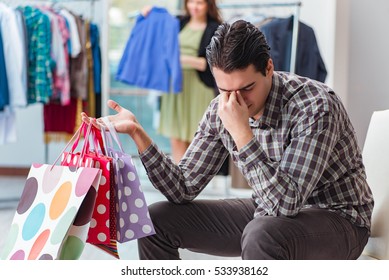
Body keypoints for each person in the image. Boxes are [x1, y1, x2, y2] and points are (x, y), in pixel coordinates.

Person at [82, 20, 374, 260]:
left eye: (246, 88)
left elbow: (287, 204)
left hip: (339, 221)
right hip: (267, 212)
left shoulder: (315, 105)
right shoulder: (220, 108)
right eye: (225, 89)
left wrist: (242, 133)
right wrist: (138, 134)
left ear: (269, 68)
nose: (237, 102)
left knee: (263, 232)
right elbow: (183, 188)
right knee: (156, 219)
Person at [153, 0, 222, 163]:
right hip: (175, 86)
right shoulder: (179, 23)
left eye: (200, 3)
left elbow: (213, 62)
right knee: (176, 135)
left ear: (208, 5)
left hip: (199, 86)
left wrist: (181, 59)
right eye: (191, 2)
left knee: (197, 136)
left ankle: (192, 181)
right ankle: (179, 179)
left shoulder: (216, 28)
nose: (194, 7)